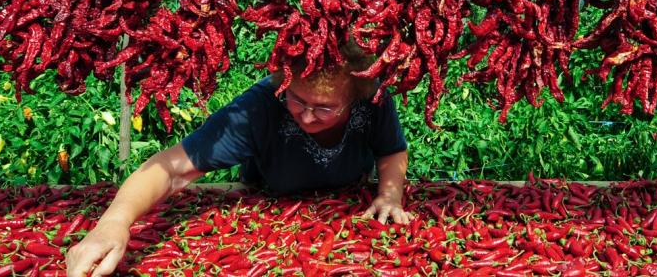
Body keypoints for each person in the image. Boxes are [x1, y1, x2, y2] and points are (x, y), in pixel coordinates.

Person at [65, 43, 412, 277]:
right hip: (270, 207)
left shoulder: (373, 99)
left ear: (354, 98)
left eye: (324, 108)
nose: (307, 117)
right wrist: (114, 222)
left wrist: (389, 195)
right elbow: (171, 169)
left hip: (346, 212)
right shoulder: (259, 107)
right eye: (296, 101)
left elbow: (391, 148)